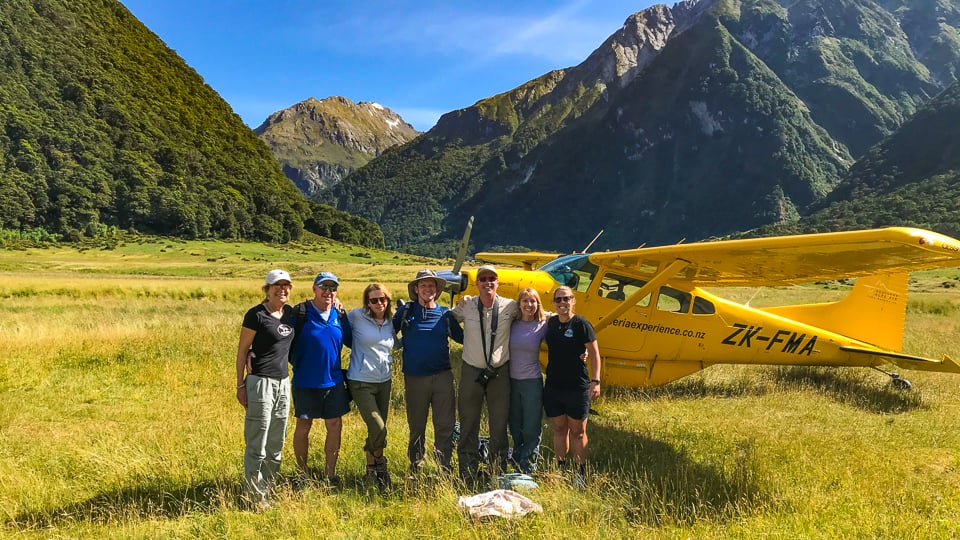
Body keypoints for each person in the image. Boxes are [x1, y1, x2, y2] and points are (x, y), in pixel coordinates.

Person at [450, 264, 520, 486]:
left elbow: (536, 313)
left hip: (500, 373)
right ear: (477, 283)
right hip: (472, 371)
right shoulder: (467, 305)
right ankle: (467, 472)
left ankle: (497, 472)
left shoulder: (511, 306)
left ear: (498, 282)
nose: (487, 282)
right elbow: (447, 320)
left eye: (492, 278)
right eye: (483, 279)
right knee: (468, 422)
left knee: (499, 424)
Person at [393, 269, 463, 477]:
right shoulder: (406, 312)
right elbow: (385, 331)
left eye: (431, 285)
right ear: (416, 289)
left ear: (437, 289)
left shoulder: (444, 314)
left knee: (445, 424)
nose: (427, 289)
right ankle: (416, 465)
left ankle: (444, 467)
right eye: (423, 285)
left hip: (442, 377)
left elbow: (463, 338)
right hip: (414, 378)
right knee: (417, 425)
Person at [236, 269, 295, 511]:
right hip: (260, 382)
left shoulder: (290, 313)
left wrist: (338, 302)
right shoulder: (256, 315)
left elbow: (317, 307)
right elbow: (242, 351)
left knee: (277, 441)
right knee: (257, 441)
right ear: (267, 289)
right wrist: (240, 384)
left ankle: (268, 490)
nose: (282, 289)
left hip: (284, 382)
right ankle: (254, 497)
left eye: (286, 285)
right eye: (277, 285)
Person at [289, 271, 351, 488]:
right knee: (303, 426)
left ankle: (330, 475)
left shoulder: (340, 315)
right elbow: (279, 337)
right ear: (314, 289)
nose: (328, 292)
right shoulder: (300, 313)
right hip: (305, 381)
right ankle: (302, 474)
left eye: (332, 288)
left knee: (335, 425)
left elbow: (353, 340)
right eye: (323, 287)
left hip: (333, 381)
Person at [544, 285, 601, 489]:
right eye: (558, 300)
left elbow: (594, 353)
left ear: (573, 301)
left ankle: (580, 473)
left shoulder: (582, 324)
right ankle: (559, 469)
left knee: (578, 431)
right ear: (553, 303)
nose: (562, 303)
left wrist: (595, 381)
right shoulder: (550, 323)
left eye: (566, 299)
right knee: (559, 428)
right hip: (553, 385)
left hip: (577, 386)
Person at [345, 283, 396, 492]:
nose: (379, 303)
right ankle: (381, 462)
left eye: (382, 299)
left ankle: (371, 469)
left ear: (388, 300)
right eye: (374, 300)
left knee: (376, 427)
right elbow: (337, 327)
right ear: (367, 302)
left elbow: (394, 344)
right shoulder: (356, 316)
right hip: (360, 380)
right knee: (378, 427)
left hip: (384, 380)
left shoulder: (391, 322)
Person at [508, 288, 549, 474]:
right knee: (515, 424)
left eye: (533, 301)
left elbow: (565, 326)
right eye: (525, 301)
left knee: (531, 426)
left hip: (532, 381)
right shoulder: (511, 323)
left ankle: (529, 466)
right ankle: (516, 460)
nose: (529, 305)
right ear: (519, 304)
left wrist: (583, 351)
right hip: (511, 381)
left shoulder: (543, 324)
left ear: (538, 304)